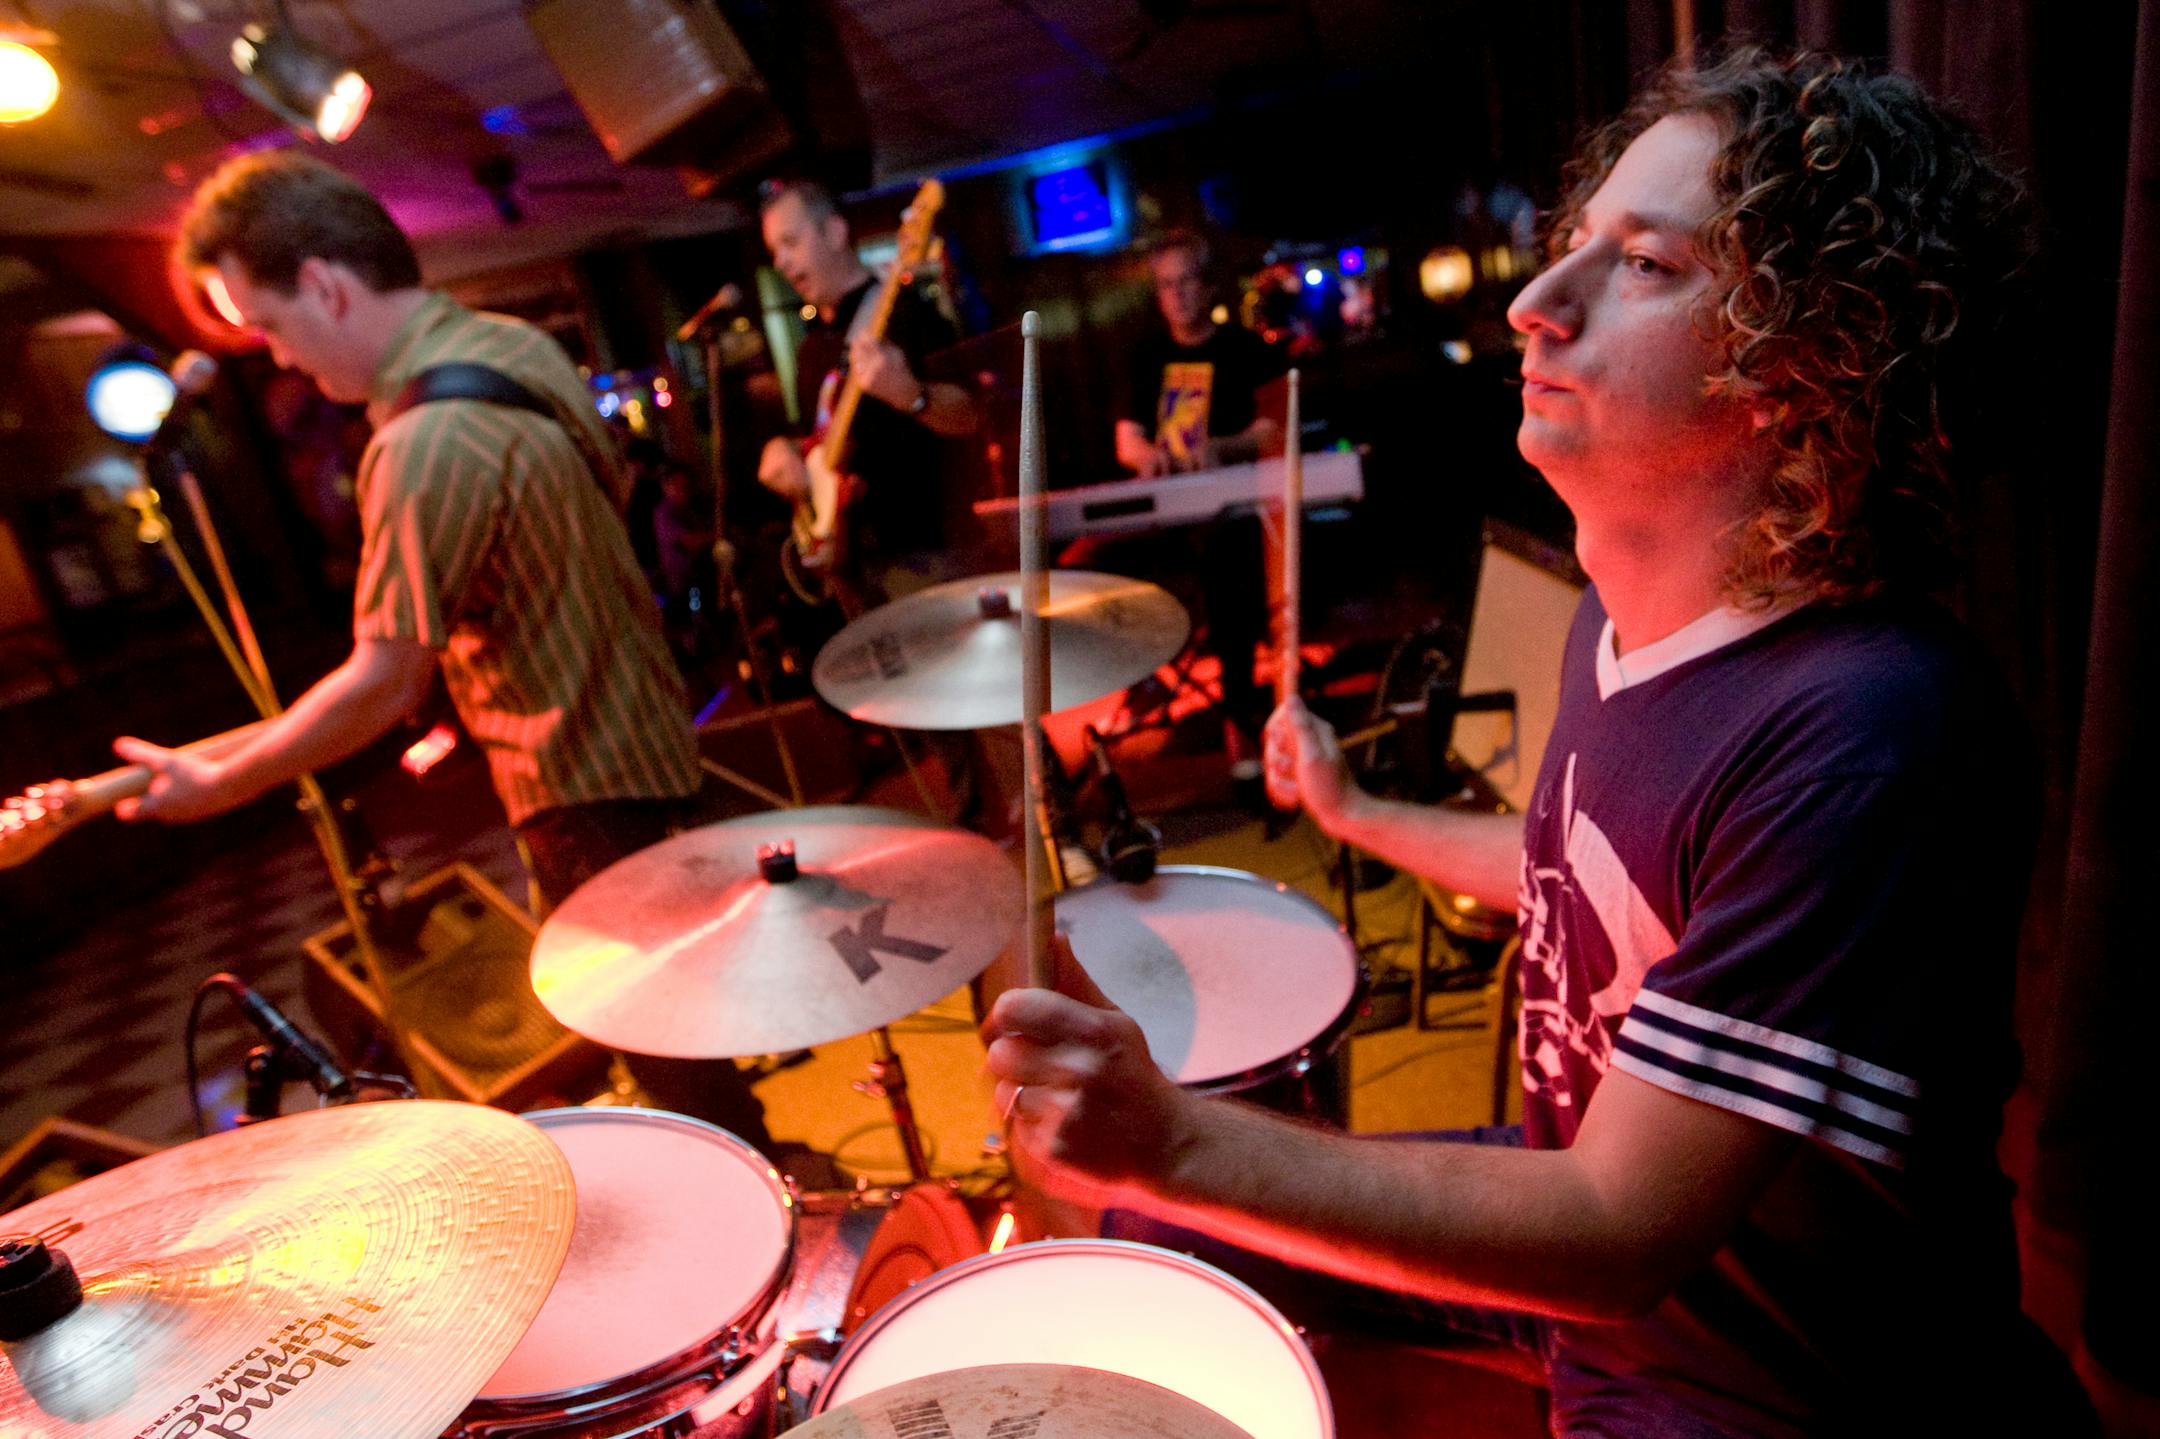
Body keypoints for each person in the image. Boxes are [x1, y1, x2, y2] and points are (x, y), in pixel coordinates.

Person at [984, 49, 2088, 1435]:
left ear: (1811, 365)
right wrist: (1355, 809)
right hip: (1606, 1260)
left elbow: (1619, 1224)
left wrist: (1181, 1132)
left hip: (1764, 1381)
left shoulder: (1868, 726)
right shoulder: (1620, 633)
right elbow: (1599, 879)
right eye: (1572, 246)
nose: (1532, 304)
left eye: (1645, 266)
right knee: (1149, 1248)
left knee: (1177, 1186)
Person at [120, 151, 771, 1148]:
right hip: (654, 740)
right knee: (695, 1034)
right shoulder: (513, 345)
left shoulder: (425, 441)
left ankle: (761, 1237)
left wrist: (224, 781)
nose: (281, 361)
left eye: (272, 326)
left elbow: (384, 682)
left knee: (676, 1072)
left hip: (578, 787)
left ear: (327, 287)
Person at [1094, 231, 1286, 774]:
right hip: (1167, 516)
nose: (1176, 296)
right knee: (1103, 571)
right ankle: (1147, 676)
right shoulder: (1145, 356)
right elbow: (1125, 439)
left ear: (1206, 287)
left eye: (1185, 283)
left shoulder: (1244, 349)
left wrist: (1224, 448)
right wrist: (1147, 456)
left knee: (1230, 578)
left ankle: (1241, 726)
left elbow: (1273, 431)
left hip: (1236, 513)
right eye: (1165, 286)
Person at [754, 178, 978, 608]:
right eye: (773, 251)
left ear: (835, 233)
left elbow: (972, 415)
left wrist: (914, 396)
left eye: (790, 242)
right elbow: (815, 443)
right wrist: (787, 452)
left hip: (930, 562)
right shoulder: (811, 347)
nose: (781, 262)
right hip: (853, 568)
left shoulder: (908, 314)